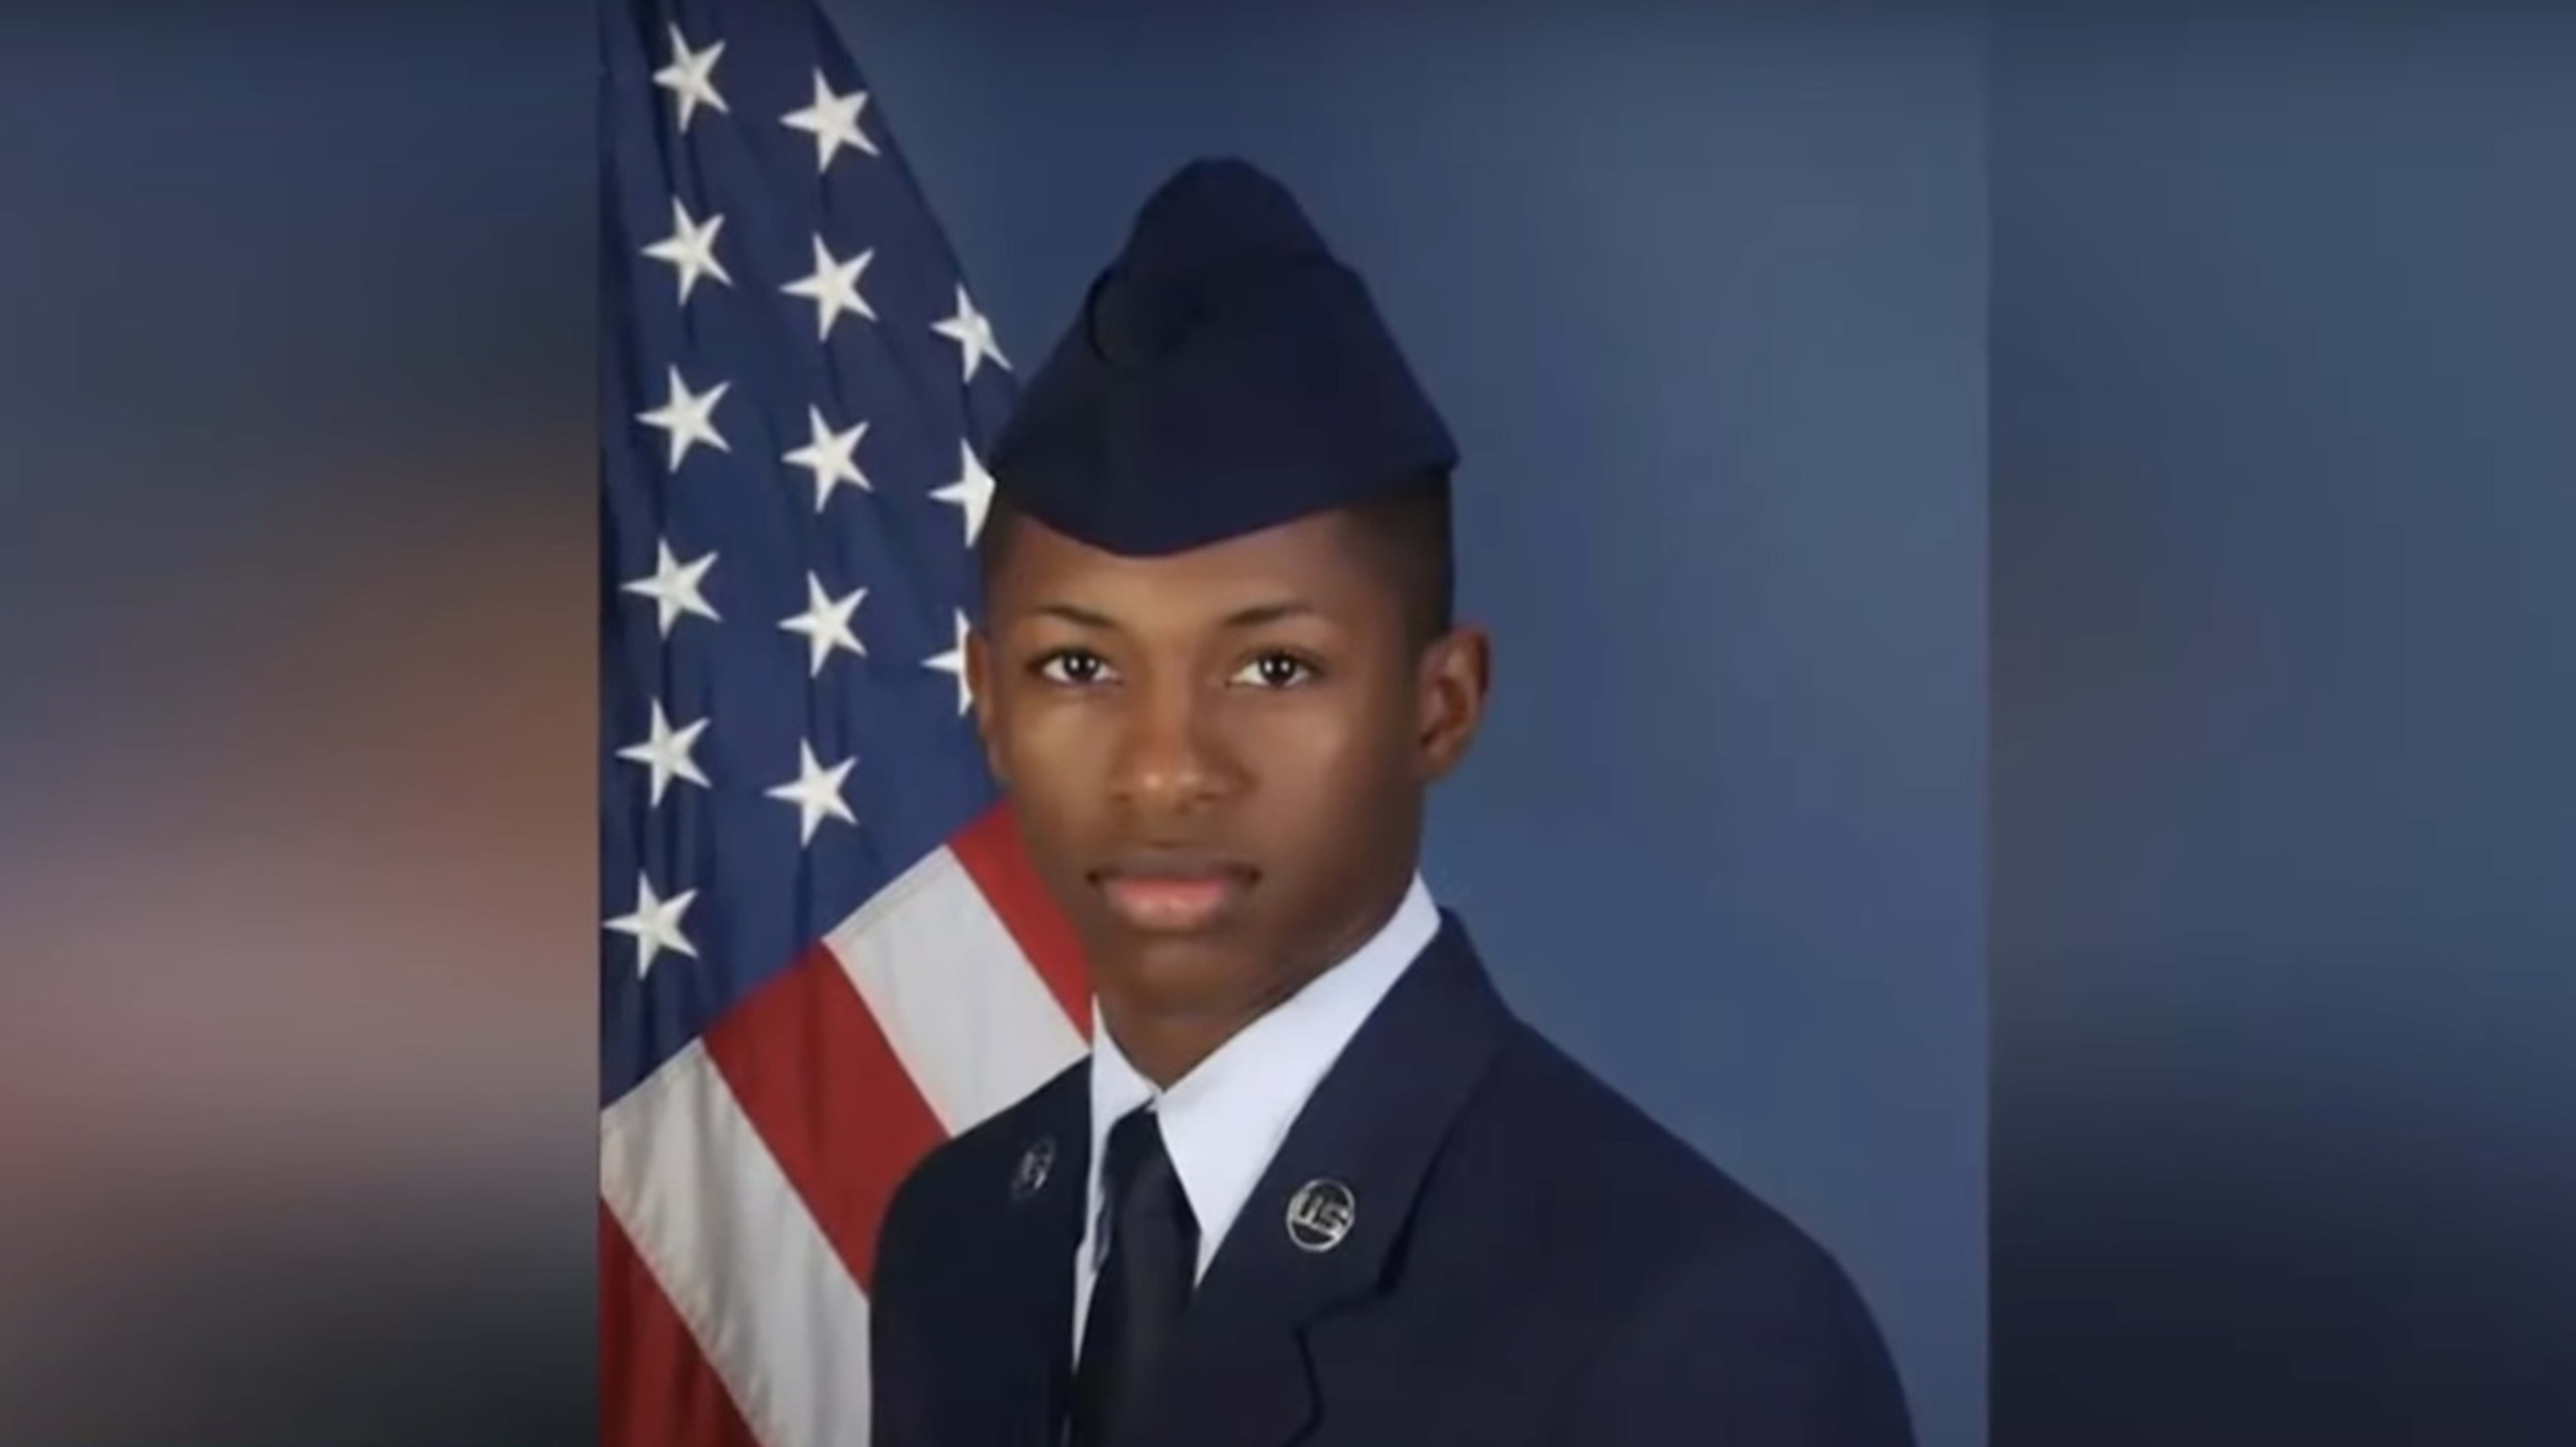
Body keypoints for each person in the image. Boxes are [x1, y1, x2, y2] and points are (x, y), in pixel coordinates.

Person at [867, 157, 1915, 1447]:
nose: (1163, 767)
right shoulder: (960, 1239)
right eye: (1077, 666)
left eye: (1273, 667)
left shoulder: (1698, 1334)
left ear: (1441, 704)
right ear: (984, 696)